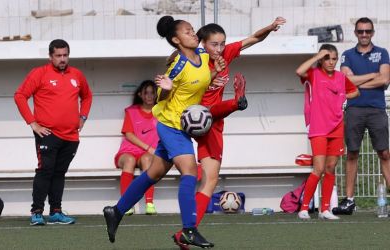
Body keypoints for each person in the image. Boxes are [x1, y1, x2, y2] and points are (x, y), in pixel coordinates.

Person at [102, 15, 225, 247]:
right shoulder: (176, 65)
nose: (194, 34)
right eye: (188, 32)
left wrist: (215, 74)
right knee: (190, 171)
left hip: (182, 128)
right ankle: (189, 229)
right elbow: (161, 97)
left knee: (154, 174)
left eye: (193, 30)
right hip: (171, 126)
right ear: (176, 39)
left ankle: (116, 211)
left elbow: (196, 86)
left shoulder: (203, 56)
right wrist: (166, 89)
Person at [171, 17, 286, 248]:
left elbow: (254, 39)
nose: (219, 48)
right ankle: (236, 102)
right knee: (206, 173)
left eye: (222, 43)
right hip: (198, 116)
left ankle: (186, 232)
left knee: (209, 180)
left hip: (211, 122)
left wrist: (270, 27)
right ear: (202, 44)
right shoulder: (197, 61)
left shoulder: (225, 54)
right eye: (214, 44)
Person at [14, 39, 93, 226]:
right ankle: (37, 212)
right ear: (51, 56)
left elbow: (87, 96)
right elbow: (20, 96)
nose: (62, 59)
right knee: (45, 171)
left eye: (65, 55)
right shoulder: (39, 73)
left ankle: (56, 212)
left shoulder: (77, 75)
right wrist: (32, 123)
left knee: (59, 173)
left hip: (71, 136)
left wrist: (83, 117)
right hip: (47, 134)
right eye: (58, 56)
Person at [333, 17, 390, 215]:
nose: (364, 35)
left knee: (384, 153)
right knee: (352, 154)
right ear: (355, 33)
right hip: (354, 109)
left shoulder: (382, 53)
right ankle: (349, 200)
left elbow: (385, 79)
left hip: (377, 109)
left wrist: (356, 82)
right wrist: (372, 76)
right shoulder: (347, 55)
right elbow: (344, 80)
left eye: (367, 31)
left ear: (372, 32)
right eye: (360, 31)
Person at [295, 44, 359, 220]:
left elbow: (355, 92)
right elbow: (299, 71)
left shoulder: (340, 77)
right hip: (319, 128)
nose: (331, 62)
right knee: (319, 168)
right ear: (321, 59)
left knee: (331, 168)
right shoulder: (314, 74)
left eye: (334, 58)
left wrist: (342, 98)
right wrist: (316, 57)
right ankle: (304, 208)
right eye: (327, 58)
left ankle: (325, 210)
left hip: (337, 127)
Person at [114, 80, 158, 215]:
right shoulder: (131, 111)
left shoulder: (161, 112)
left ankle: (149, 203)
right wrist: (148, 147)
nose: (149, 96)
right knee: (129, 161)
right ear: (140, 95)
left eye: (152, 93)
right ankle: (125, 204)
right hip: (128, 152)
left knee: (147, 160)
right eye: (146, 93)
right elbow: (128, 134)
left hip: (147, 155)